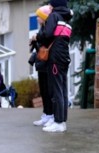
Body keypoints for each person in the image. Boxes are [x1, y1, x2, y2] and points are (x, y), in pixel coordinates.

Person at [36, 0, 72, 133]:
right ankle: (61, 121)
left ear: (54, 5)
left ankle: (58, 122)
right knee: (62, 89)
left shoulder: (54, 16)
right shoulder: (66, 17)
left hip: (55, 57)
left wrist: (38, 36)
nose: (49, 7)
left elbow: (47, 34)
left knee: (56, 89)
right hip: (64, 56)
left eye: (51, 5)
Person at [30, 5, 55, 127]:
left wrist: (36, 40)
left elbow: (45, 45)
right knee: (43, 90)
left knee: (48, 90)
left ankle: (51, 115)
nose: (37, 18)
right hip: (41, 63)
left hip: (46, 63)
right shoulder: (42, 29)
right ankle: (46, 114)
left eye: (38, 16)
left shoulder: (47, 30)